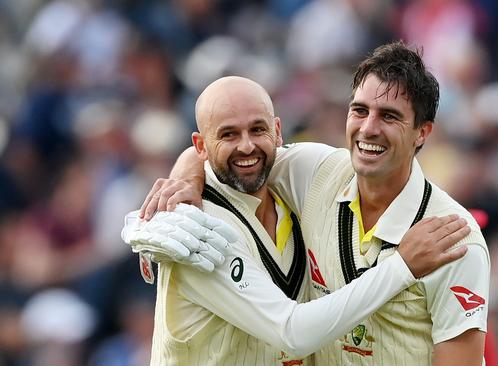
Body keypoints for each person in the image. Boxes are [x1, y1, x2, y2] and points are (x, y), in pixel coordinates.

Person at [122, 75, 471, 365]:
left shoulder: (294, 190)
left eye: (257, 130)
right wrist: (403, 265)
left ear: (277, 131)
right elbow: (293, 332)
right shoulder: (193, 229)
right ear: (201, 145)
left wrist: (188, 169)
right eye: (228, 134)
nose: (246, 147)